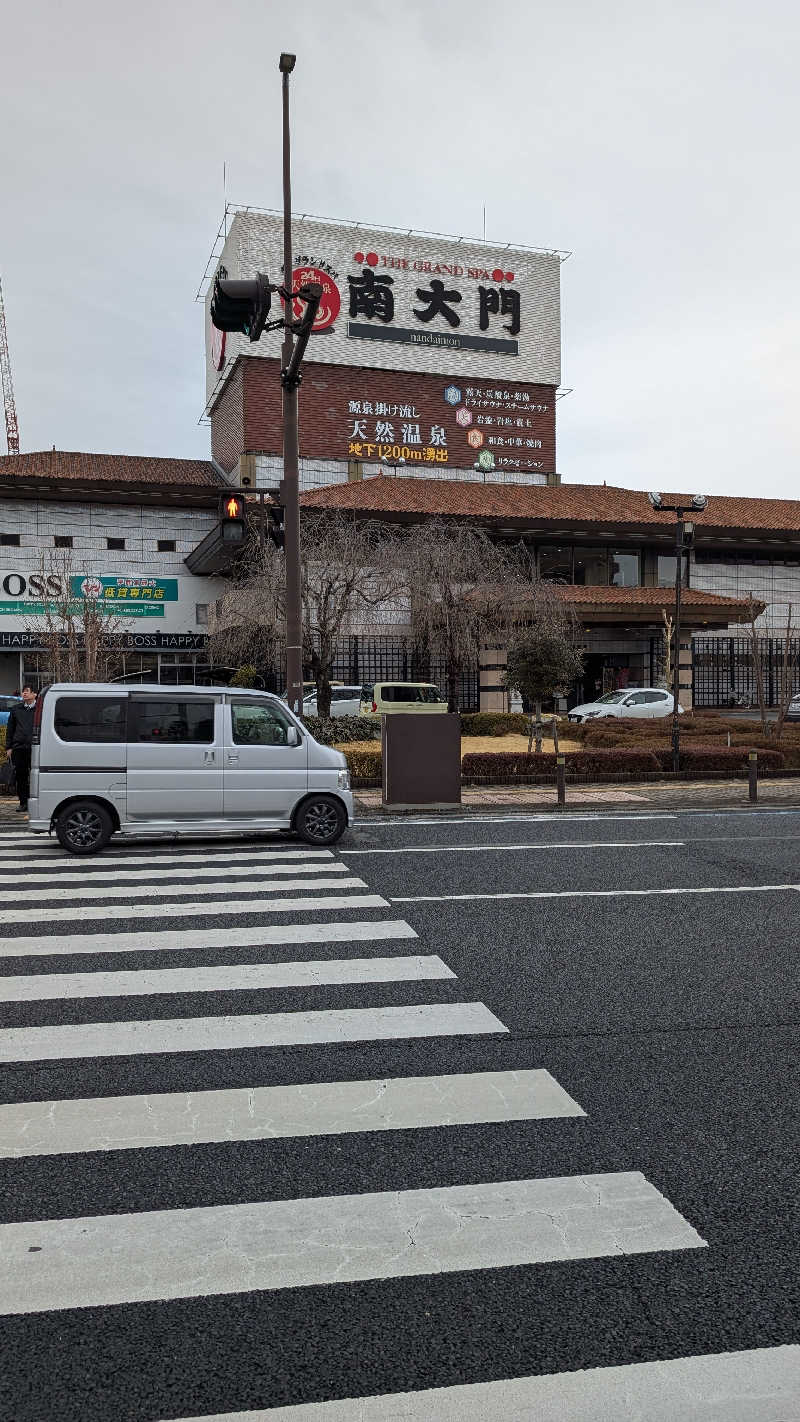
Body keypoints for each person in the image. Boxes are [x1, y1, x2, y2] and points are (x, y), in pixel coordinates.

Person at [5, 685, 37, 813]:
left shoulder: (40, 709)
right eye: (23, 691)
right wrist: (9, 747)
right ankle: (23, 803)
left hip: (36, 748)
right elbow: (10, 729)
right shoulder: (16, 709)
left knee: (36, 777)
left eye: (27, 691)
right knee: (21, 776)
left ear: (34, 694)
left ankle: (36, 802)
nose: (24, 693)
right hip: (19, 748)